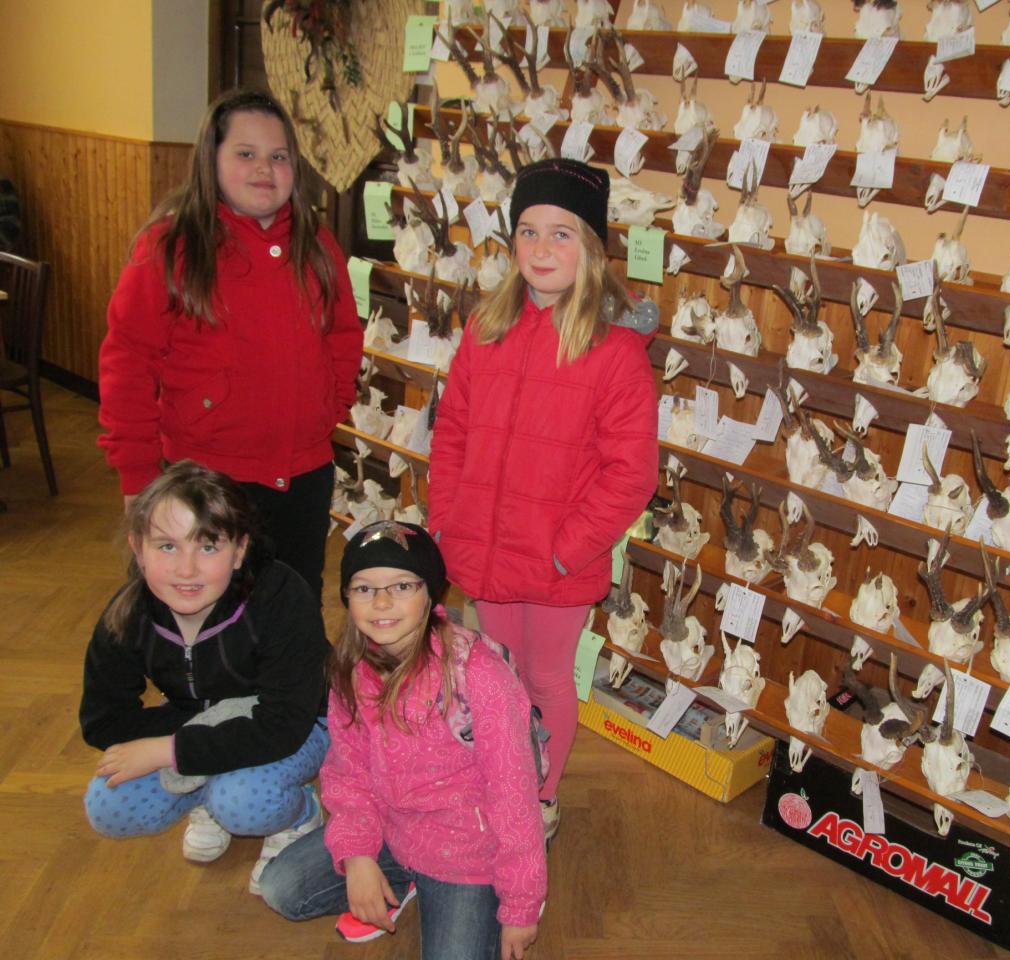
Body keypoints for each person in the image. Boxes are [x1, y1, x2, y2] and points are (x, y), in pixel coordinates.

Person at [426, 158, 658, 841]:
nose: (541, 248)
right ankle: (501, 778)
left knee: (548, 678)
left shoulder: (615, 351)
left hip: (558, 561)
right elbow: (452, 433)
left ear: (591, 248)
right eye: (528, 232)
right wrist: (447, 520)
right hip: (485, 546)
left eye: (562, 233)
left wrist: (566, 550)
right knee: (496, 676)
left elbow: (631, 473)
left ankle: (540, 794)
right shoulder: (486, 328)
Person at [97, 88, 363, 599]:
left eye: (278, 156)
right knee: (204, 610)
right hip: (207, 479)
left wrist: (327, 407)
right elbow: (127, 363)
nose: (264, 168)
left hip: (303, 477)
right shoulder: (171, 247)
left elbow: (343, 335)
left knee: (292, 606)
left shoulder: (316, 245)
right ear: (211, 160)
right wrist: (137, 476)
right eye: (246, 153)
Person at [258, 521, 546, 960]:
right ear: (347, 597)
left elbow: (514, 795)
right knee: (281, 888)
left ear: (430, 594)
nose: (382, 602)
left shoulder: (478, 675)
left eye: (402, 586)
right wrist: (358, 856)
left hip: (467, 855)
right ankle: (401, 880)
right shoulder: (351, 668)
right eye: (364, 588)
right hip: (391, 830)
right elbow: (348, 773)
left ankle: (439, 890)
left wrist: (520, 906)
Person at [80, 460, 330, 894]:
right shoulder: (129, 613)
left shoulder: (281, 596)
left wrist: (171, 750)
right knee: (107, 806)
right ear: (138, 549)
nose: (187, 569)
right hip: (202, 722)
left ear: (240, 550)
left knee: (243, 800)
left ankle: (299, 815)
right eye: (167, 546)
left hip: (302, 722)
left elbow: (284, 724)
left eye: (208, 546)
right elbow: (102, 721)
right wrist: (196, 737)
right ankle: (208, 792)